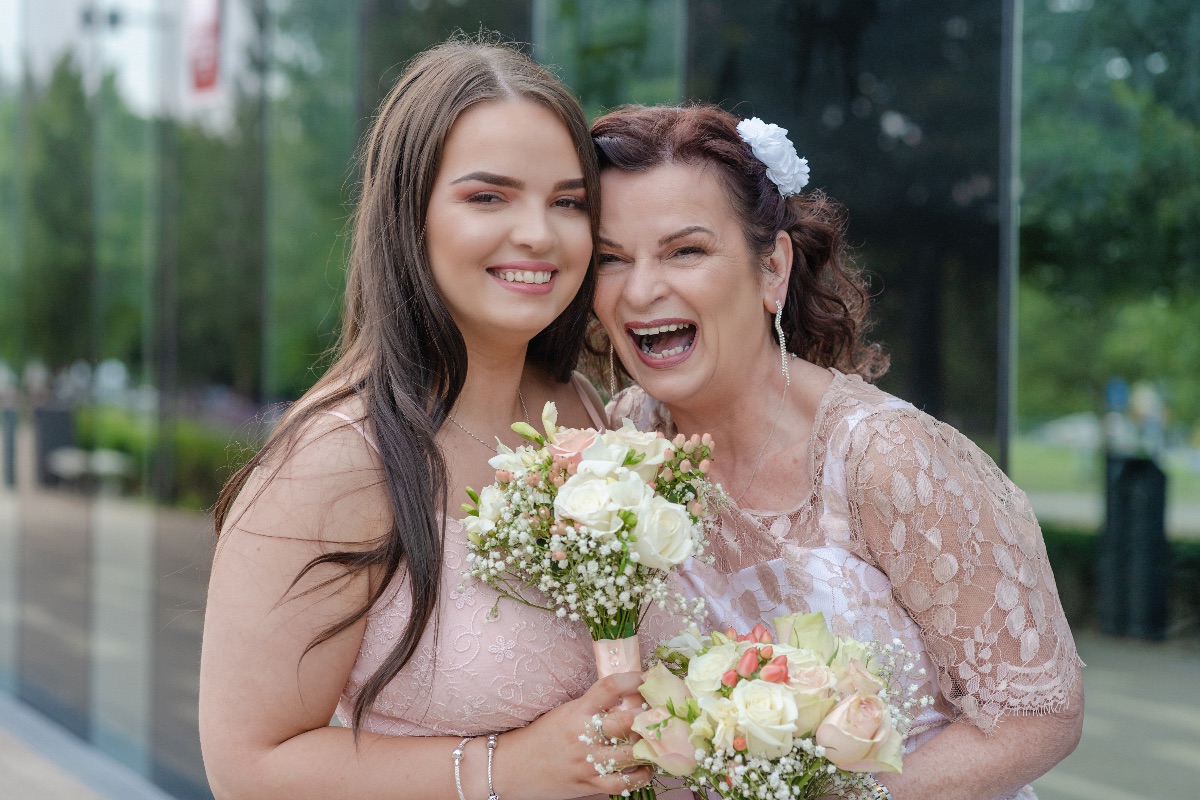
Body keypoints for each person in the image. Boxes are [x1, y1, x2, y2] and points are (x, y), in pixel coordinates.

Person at [198, 38, 653, 800]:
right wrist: (507, 767)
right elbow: (247, 768)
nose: (539, 233)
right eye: (489, 197)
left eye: (569, 202)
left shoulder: (581, 411)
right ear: (410, 215)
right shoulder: (337, 459)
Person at [591, 104, 1084, 799]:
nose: (641, 290)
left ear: (772, 269)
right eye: (610, 259)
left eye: (685, 251)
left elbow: (1038, 714)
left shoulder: (888, 459)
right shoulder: (612, 453)